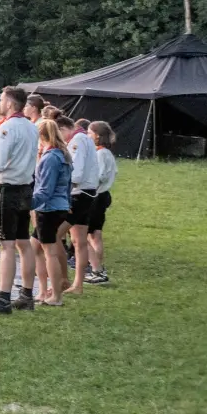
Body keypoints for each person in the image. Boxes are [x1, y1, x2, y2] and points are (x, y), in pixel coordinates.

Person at [0, 86, 41, 315]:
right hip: (25, 187)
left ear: (11, 103)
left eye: (2, 100)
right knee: (23, 242)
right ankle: (26, 294)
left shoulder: (7, 128)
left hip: (7, 189)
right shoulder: (31, 127)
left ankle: (3, 299)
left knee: (5, 245)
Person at [31, 119, 73, 307]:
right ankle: (42, 290)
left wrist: (27, 204)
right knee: (34, 247)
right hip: (59, 205)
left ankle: (56, 296)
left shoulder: (50, 158)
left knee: (50, 252)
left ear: (42, 136)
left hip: (48, 208)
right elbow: (67, 184)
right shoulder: (63, 155)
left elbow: (45, 190)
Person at [60, 116, 100, 295]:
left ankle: (61, 279)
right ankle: (78, 284)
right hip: (87, 193)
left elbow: (76, 173)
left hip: (78, 194)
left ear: (64, 128)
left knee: (53, 236)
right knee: (79, 241)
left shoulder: (77, 140)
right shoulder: (85, 138)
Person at [86, 121, 117, 285]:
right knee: (94, 234)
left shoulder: (101, 154)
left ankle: (96, 269)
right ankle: (97, 268)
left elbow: (100, 175)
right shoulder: (105, 153)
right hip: (101, 195)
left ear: (97, 135)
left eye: (89, 132)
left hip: (96, 196)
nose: (87, 135)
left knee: (88, 234)